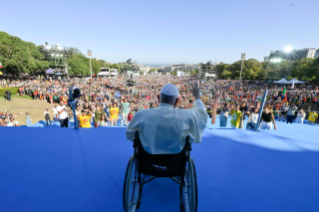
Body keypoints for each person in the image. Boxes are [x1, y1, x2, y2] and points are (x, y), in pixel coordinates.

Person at [126, 83, 214, 154]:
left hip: (147, 159)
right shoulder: (188, 115)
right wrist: (197, 98)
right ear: (177, 101)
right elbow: (203, 116)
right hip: (176, 161)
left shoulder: (142, 114)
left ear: (158, 98)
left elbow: (130, 135)